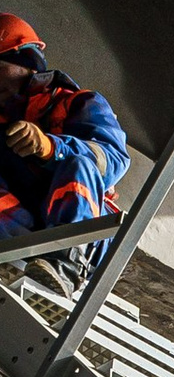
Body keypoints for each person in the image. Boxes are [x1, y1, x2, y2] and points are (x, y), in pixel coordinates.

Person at [0, 17, 125, 284]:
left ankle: (66, 262)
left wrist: (50, 148)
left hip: (86, 229)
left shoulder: (79, 103)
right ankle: (18, 254)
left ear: (25, 61)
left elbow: (111, 161)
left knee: (78, 164)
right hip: (27, 229)